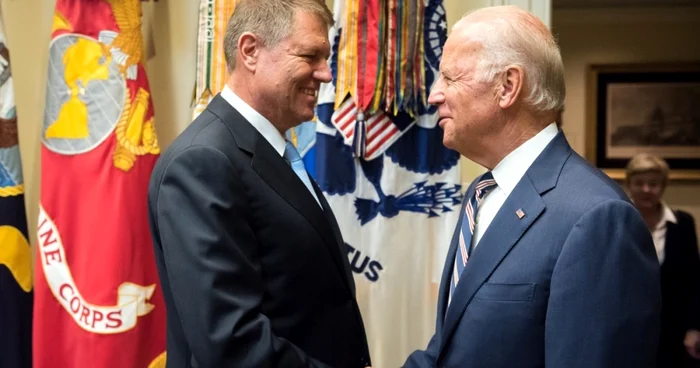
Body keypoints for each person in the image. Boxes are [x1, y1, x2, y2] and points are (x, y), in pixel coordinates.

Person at [403, 6, 661, 368]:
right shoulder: (481, 194)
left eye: (450, 77)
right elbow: (451, 351)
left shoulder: (599, 218)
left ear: (508, 86)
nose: (434, 95)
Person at [147, 1, 371, 367]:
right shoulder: (202, 162)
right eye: (311, 56)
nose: (326, 74)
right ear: (250, 51)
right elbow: (232, 344)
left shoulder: (271, 150)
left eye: (326, 58)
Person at [625, 153, 700, 368]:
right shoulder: (617, 221)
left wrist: (694, 328)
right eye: (640, 183)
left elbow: (694, 279)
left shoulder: (683, 223)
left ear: (664, 185)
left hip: (674, 332)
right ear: (629, 184)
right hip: (628, 330)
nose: (647, 189)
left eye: (654, 183)